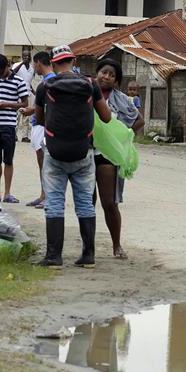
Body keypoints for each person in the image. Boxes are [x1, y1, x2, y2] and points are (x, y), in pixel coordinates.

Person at [34, 45, 111, 269]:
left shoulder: (44, 86)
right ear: (73, 60)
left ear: (54, 63)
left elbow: (39, 120)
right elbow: (105, 117)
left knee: (55, 204)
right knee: (85, 204)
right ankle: (88, 256)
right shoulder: (90, 84)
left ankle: (54, 257)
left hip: (55, 152)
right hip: (83, 152)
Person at [94, 59, 144, 259]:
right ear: (97, 74)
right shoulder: (84, 94)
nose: (106, 76)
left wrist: (124, 135)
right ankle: (88, 246)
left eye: (111, 75)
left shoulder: (122, 99)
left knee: (109, 202)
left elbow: (139, 120)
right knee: (86, 202)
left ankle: (117, 245)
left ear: (116, 82)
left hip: (108, 156)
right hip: (86, 152)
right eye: (103, 72)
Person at [0, 54, 30, 203]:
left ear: (8, 66)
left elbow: (24, 103)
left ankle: (7, 193)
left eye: (1, 70)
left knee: (8, 160)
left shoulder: (19, 81)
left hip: (8, 125)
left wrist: (7, 104)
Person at [24, 51, 56, 209]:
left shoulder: (49, 82)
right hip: (39, 124)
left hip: (44, 126)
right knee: (42, 164)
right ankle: (43, 195)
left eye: (33, 64)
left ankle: (48, 197)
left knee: (46, 164)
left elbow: (48, 108)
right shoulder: (47, 81)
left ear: (38, 63)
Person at [12, 49, 35, 142]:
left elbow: (28, 82)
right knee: (16, 115)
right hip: (18, 94)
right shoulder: (17, 65)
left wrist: (33, 91)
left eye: (28, 56)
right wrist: (21, 63)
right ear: (22, 57)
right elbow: (12, 73)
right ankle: (14, 134)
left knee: (27, 116)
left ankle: (25, 136)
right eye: (25, 56)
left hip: (28, 94)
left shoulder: (32, 68)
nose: (27, 57)